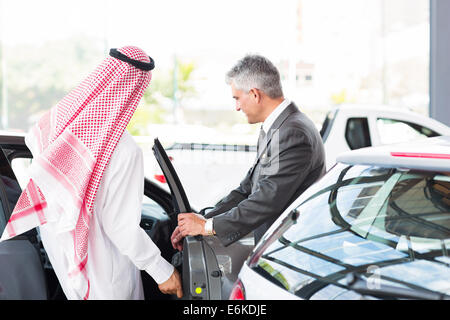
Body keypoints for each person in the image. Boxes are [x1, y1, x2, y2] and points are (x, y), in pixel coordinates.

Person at [0, 46, 182, 300]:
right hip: (104, 269)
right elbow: (121, 226)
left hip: (64, 257)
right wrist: (162, 271)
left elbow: (35, 144)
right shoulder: (124, 149)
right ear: (133, 90)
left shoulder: (56, 127)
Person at [171, 54, 326, 249]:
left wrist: (207, 227)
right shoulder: (277, 127)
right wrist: (201, 220)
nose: (236, 107)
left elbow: (267, 200)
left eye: (237, 98)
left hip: (292, 249)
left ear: (255, 94)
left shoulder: (293, 132)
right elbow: (247, 189)